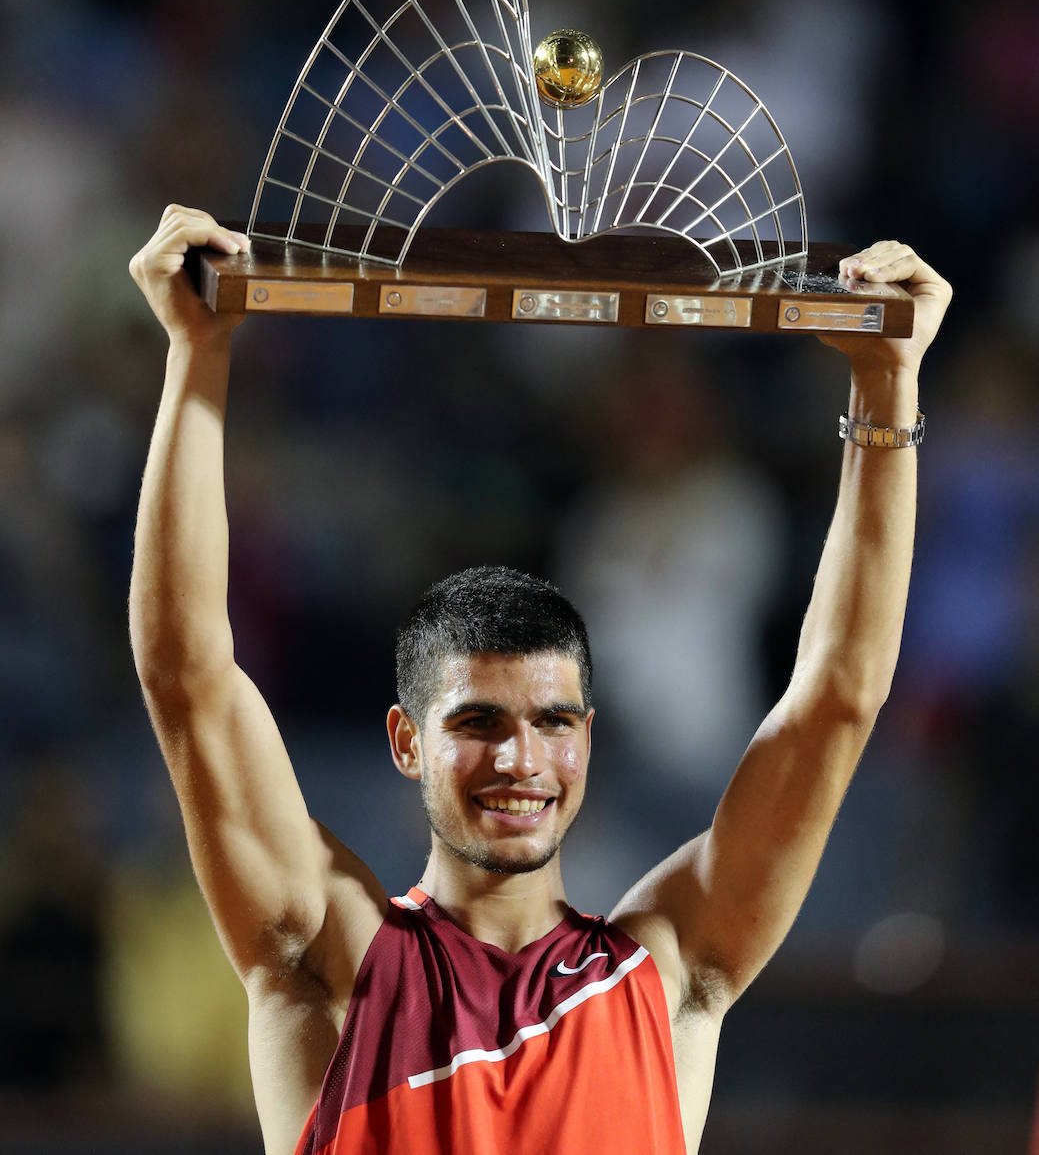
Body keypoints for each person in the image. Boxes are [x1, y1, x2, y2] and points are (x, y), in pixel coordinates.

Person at [128, 203, 952, 1155]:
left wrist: (888, 384)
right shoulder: (332, 958)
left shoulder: (667, 971)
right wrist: (198, 353)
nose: (521, 758)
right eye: (477, 721)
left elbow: (839, 700)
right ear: (406, 740)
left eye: (553, 720)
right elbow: (187, 677)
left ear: (587, 740)